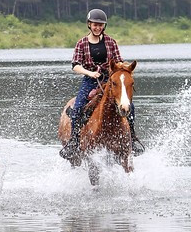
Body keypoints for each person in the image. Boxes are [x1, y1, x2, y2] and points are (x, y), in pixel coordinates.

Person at [59, 9, 144, 160]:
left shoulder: (111, 42)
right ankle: (74, 142)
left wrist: (121, 69)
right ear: (89, 25)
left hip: (110, 80)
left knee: (130, 107)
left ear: (103, 26)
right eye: (95, 25)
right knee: (78, 107)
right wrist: (90, 73)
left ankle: (133, 139)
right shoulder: (82, 43)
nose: (97, 27)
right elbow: (75, 65)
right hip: (90, 80)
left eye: (100, 25)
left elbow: (118, 60)